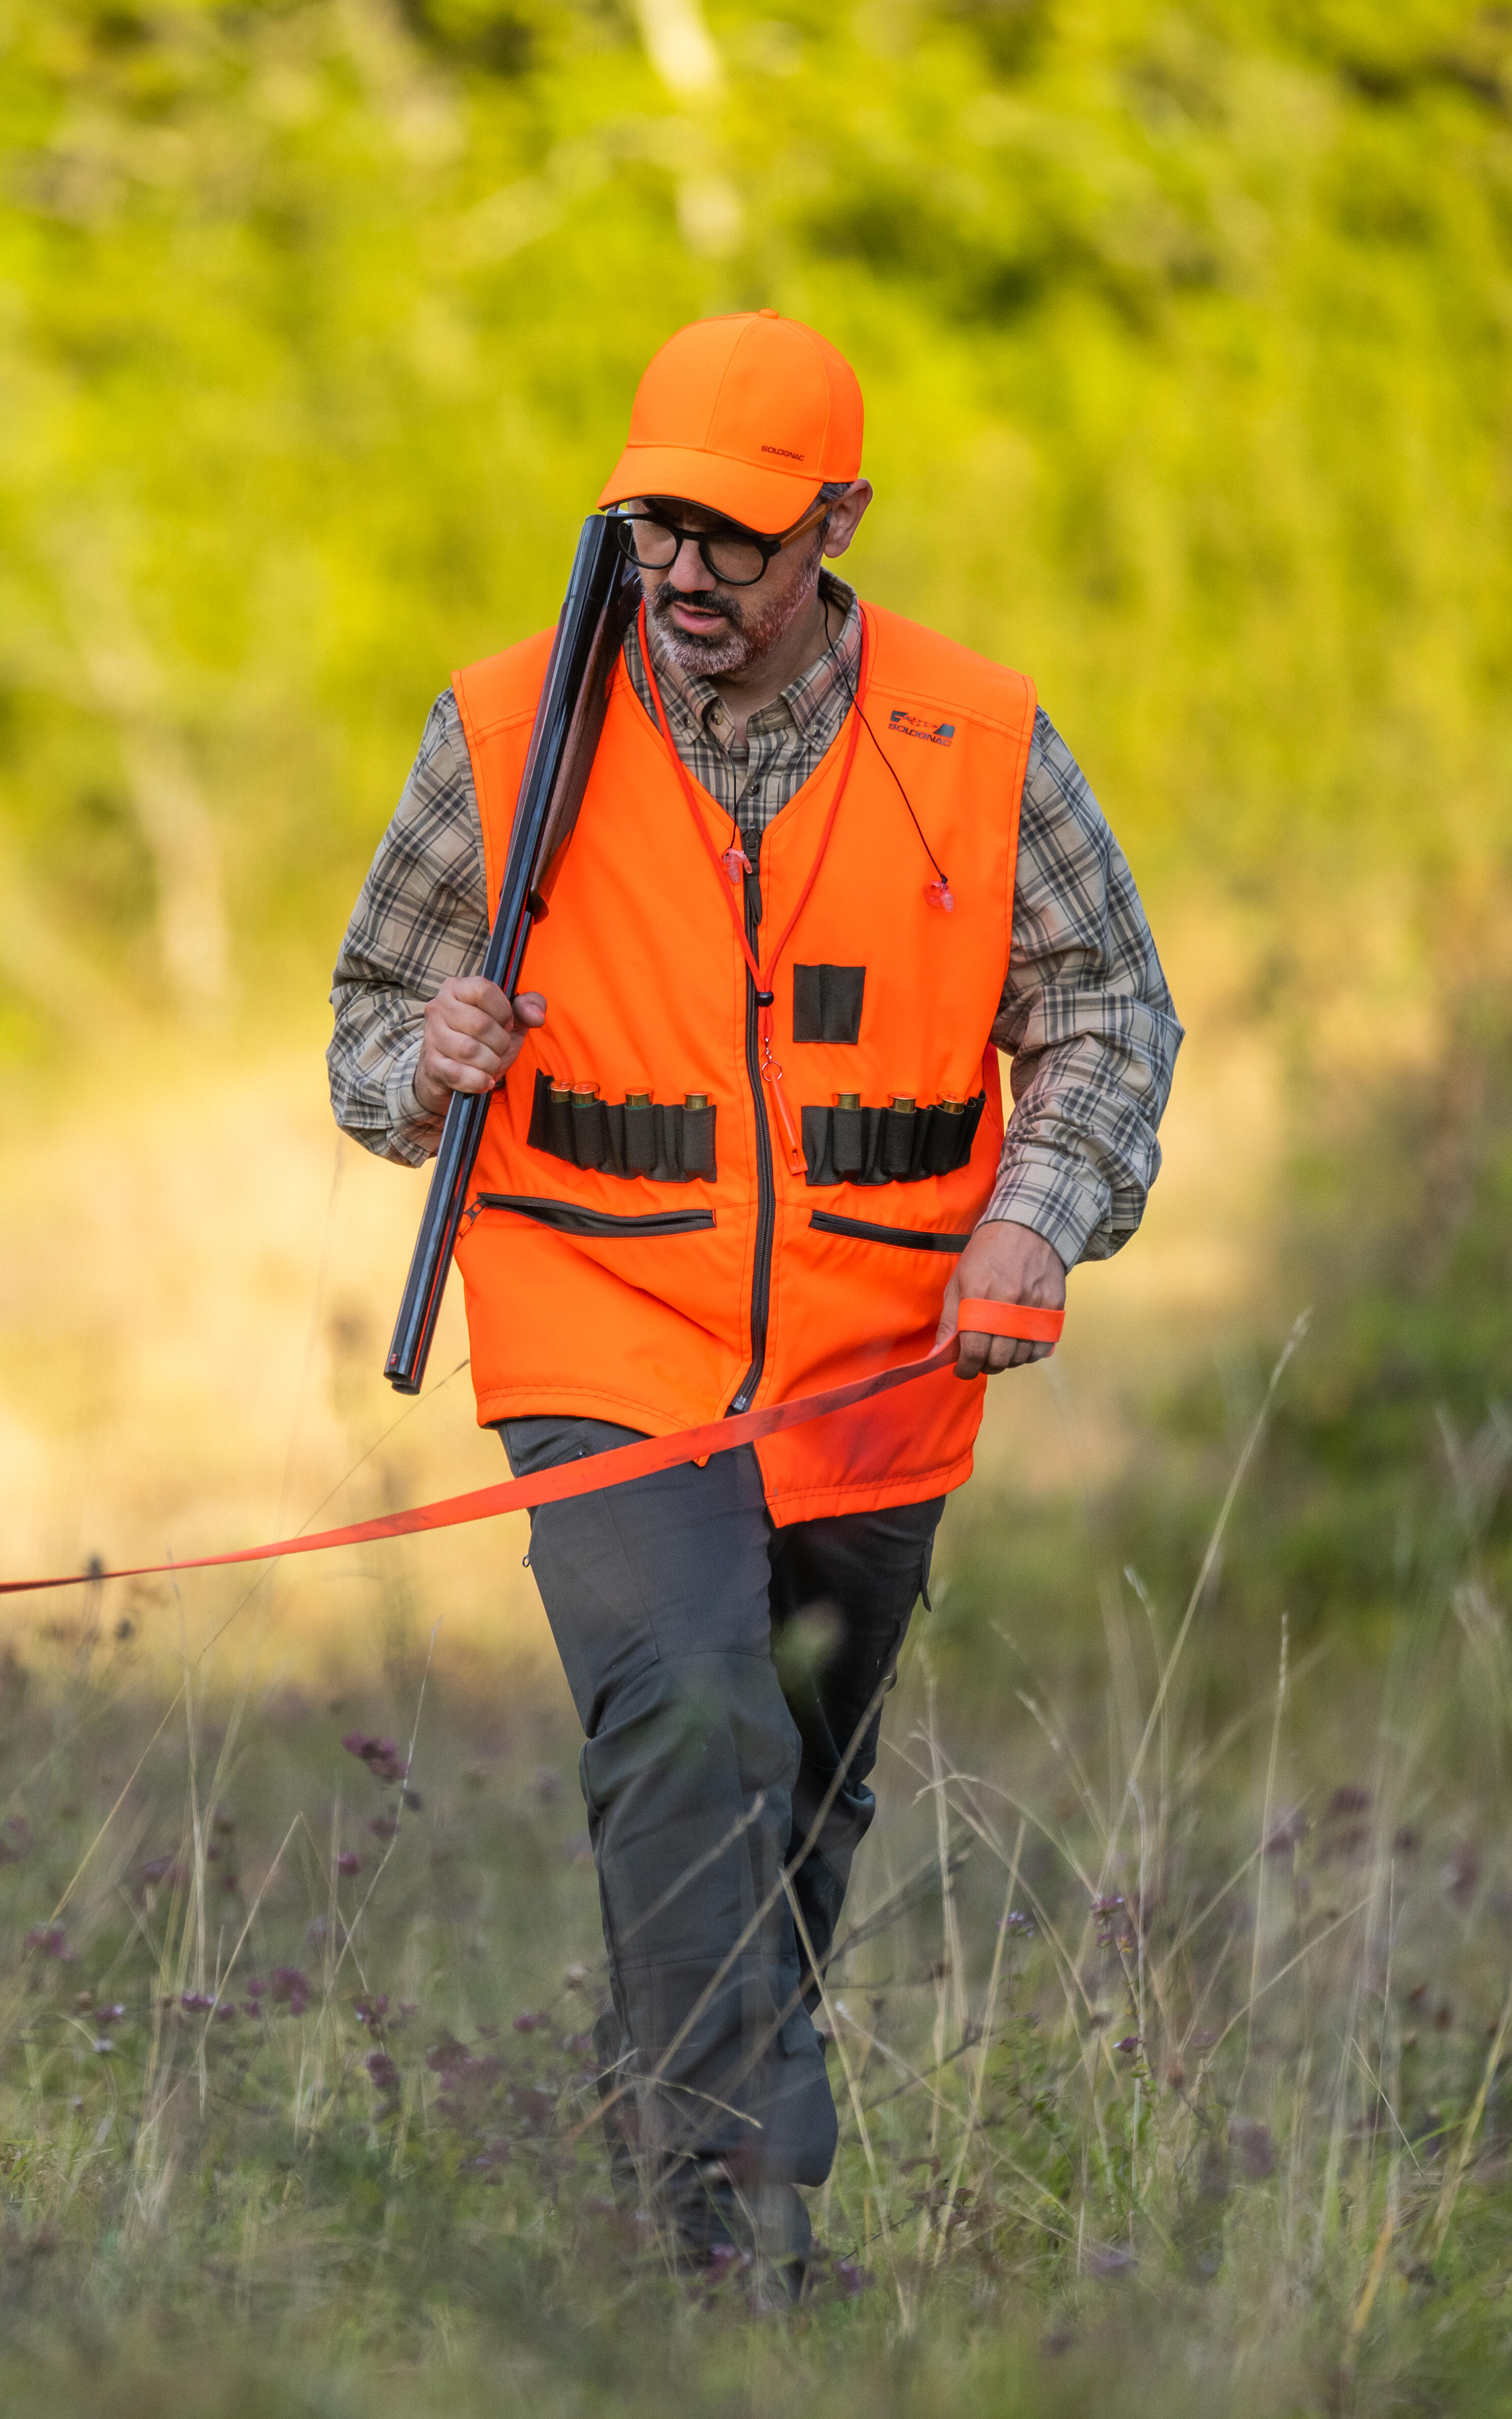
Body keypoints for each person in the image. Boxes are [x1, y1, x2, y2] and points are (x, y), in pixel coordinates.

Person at [326, 311, 1181, 2288]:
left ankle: (670, 2170)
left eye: (734, 532)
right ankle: (743, 2233)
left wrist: (1036, 1216)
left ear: (838, 523)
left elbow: (1109, 1007)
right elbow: (370, 1021)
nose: (688, 571)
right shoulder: (507, 726)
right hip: (602, 1332)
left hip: (881, 1366)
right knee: (693, 1703)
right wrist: (422, 1053)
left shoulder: (974, 737)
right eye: (655, 528)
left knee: (791, 1784)